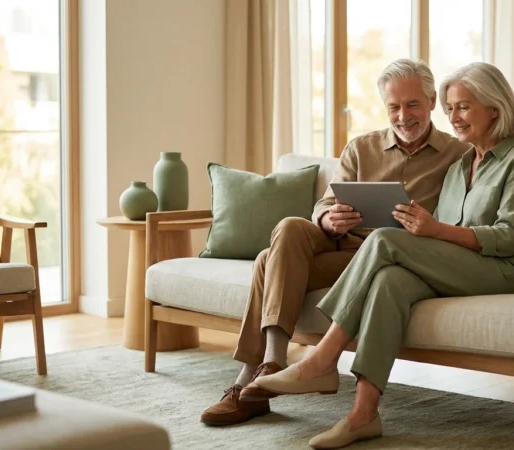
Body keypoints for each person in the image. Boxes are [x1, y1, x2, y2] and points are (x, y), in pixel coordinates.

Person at [246, 62, 514, 449]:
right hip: (462, 262)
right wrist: (428, 235)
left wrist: (432, 230)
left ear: (494, 107)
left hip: (509, 268)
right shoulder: (461, 165)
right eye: (451, 108)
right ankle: (363, 415)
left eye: (464, 107)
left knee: (385, 240)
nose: (454, 117)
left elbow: (509, 238)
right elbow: (442, 231)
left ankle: (322, 359)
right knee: (390, 281)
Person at [200, 58, 470, 426]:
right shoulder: (361, 148)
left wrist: (429, 225)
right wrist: (328, 218)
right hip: (337, 245)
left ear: (431, 103)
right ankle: (274, 364)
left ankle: (248, 381)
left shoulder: (459, 155)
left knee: (267, 259)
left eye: (412, 105)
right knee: (291, 227)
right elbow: (325, 203)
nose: (403, 116)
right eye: (393, 107)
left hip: (382, 258)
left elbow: (460, 218)